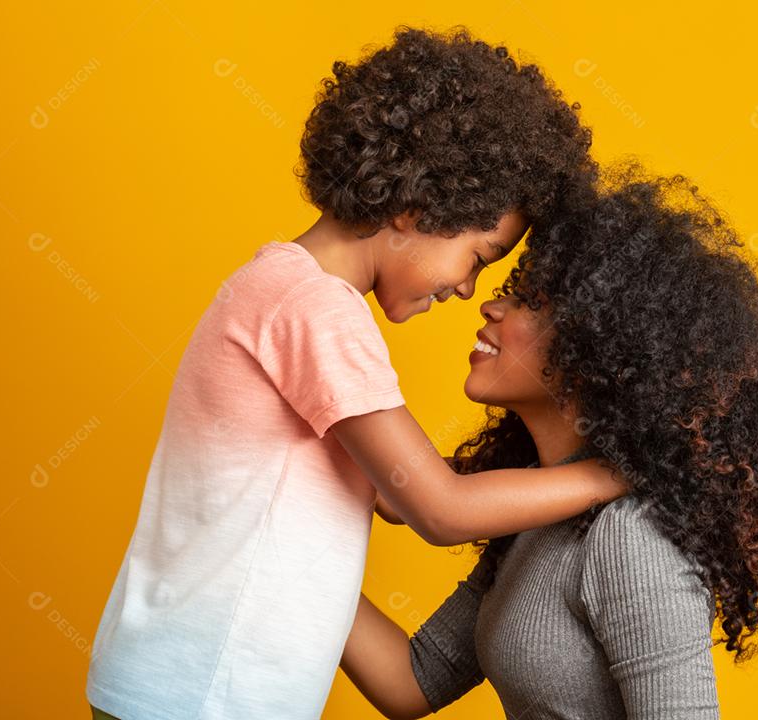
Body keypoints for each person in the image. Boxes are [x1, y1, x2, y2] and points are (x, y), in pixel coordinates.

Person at [86, 27, 626, 720]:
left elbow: (397, 498)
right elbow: (438, 509)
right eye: (480, 256)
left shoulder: (289, 295)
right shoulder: (313, 308)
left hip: (190, 688)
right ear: (420, 207)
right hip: (206, 694)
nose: (468, 290)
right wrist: (615, 474)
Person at [339, 166, 758, 719]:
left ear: (599, 346)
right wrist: (291, 560)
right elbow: (415, 678)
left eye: (529, 300)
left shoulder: (628, 534)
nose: (489, 307)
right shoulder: (537, 511)